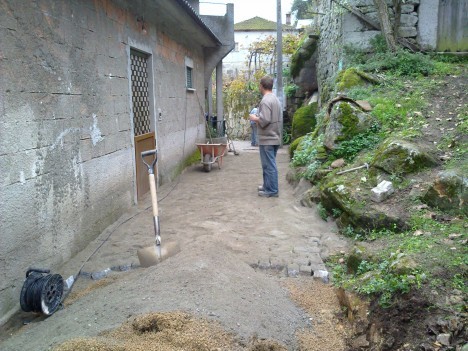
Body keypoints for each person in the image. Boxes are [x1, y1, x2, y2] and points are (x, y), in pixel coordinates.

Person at [249, 76, 282, 198]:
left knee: (269, 165)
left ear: (261, 86)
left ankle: (272, 190)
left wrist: (254, 118)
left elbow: (265, 120)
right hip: (274, 136)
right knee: (267, 164)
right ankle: (267, 186)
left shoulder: (265, 100)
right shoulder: (275, 99)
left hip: (268, 138)